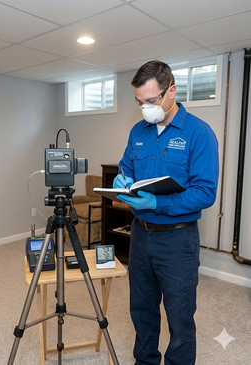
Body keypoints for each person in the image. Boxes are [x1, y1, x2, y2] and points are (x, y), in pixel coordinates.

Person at [114, 60, 218, 365]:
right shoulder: (138, 131)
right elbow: (127, 167)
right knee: (142, 309)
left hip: (178, 241)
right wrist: (123, 179)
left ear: (171, 91)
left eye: (151, 100)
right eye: (139, 102)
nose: (145, 108)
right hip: (140, 237)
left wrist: (158, 204)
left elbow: (205, 192)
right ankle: (145, 361)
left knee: (180, 316)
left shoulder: (199, 133)